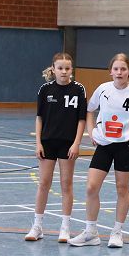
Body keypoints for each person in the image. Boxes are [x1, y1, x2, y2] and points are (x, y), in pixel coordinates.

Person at [67, 54, 129, 249]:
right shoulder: (103, 89)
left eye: (123, 69)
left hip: (125, 145)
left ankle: (117, 232)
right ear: (110, 72)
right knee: (91, 187)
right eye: (116, 69)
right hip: (104, 145)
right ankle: (91, 232)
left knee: (122, 188)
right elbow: (89, 110)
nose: (119, 72)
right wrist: (91, 130)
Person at [25, 53, 86, 243]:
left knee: (66, 184)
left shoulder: (78, 89)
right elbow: (39, 118)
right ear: (53, 69)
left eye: (67, 68)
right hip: (47, 142)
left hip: (68, 144)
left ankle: (65, 227)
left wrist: (76, 143)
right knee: (43, 183)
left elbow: (81, 119)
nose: (64, 71)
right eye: (60, 68)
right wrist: (38, 143)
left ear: (72, 69)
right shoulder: (45, 90)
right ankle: (37, 226)